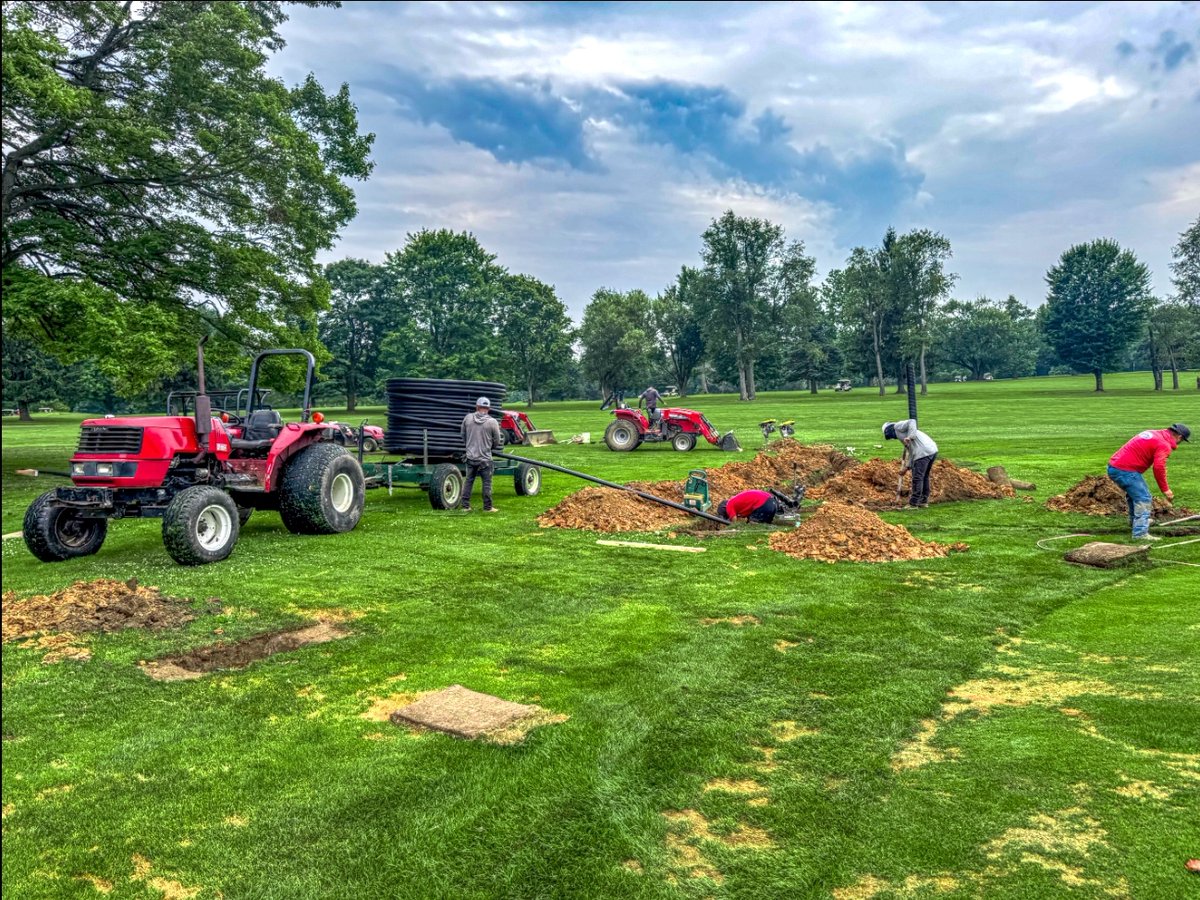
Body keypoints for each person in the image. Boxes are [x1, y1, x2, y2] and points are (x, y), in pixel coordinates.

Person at [1107, 423, 1190, 540]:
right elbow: (1158, 467)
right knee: (1144, 498)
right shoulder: (1163, 444)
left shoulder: (1153, 433)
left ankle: (1135, 522)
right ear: (1179, 437)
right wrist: (1165, 489)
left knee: (1134, 495)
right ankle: (1140, 533)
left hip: (1115, 466)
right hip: (1125, 470)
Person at [460, 397, 504, 512]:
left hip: (470, 457)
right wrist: (490, 447)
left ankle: (465, 506)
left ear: (477, 407)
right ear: (488, 408)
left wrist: (469, 446)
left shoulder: (468, 418)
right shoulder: (492, 422)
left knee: (469, 481)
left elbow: (463, 435)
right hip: (485, 458)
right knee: (487, 483)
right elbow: (497, 440)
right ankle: (487, 507)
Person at [883, 419, 939, 509]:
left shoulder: (897, 426)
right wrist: (906, 468)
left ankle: (914, 503)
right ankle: (923, 501)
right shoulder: (903, 437)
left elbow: (912, 421)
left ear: (889, 430)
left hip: (923, 452)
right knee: (924, 477)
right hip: (931, 450)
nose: (893, 438)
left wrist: (910, 436)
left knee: (917, 478)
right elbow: (911, 453)